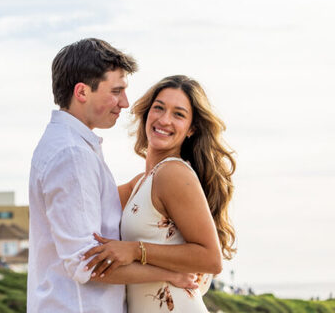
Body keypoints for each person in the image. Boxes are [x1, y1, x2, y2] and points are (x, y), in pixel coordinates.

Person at [28, 39, 198, 312]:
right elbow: (87, 265)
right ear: (82, 92)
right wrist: (169, 273)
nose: (125, 102)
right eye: (116, 91)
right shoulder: (72, 154)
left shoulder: (72, 146)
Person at [81, 75, 236, 312]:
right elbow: (85, 205)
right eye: (159, 108)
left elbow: (211, 259)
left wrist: (134, 250)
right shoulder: (141, 183)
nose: (164, 120)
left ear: (192, 128)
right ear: (147, 113)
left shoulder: (172, 173)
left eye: (178, 114)